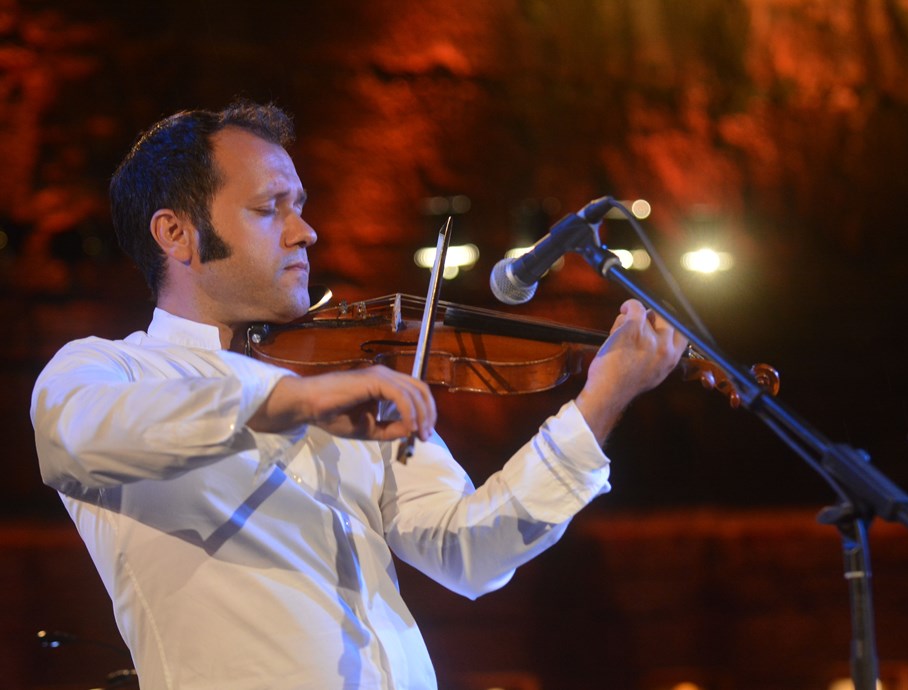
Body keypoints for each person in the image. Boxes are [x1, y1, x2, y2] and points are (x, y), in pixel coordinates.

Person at [30, 100, 687, 690]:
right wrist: (295, 404)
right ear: (176, 233)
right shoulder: (111, 370)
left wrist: (599, 404)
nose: (305, 231)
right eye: (269, 208)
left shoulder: (332, 381)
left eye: (300, 205)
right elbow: (75, 439)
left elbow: (471, 551)